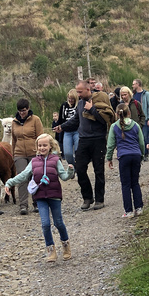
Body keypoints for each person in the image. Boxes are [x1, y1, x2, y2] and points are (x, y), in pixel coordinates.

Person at [4, 134, 74, 263]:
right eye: (40, 145)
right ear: (36, 147)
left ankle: (65, 245)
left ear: (50, 146)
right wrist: (9, 182)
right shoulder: (34, 162)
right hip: (40, 197)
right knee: (45, 224)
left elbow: (64, 176)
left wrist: (70, 172)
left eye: (45, 145)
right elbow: (24, 175)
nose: (42, 148)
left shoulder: (55, 160)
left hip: (54, 197)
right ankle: (51, 250)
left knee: (58, 222)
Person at [55, 80, 115, 211]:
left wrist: (92, 109)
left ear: (88, 90)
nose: (78, 94)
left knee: (99, 170)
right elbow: (76, 120)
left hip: (98, 140)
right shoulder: (80, 103)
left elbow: (104, 120)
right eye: (77, 92)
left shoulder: (99, 100)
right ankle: (87, 197)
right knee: (80, 169)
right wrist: (62, 127)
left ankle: (99, 199)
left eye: (80, 92)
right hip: (84, 140)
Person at [106, 103, 145, 218]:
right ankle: (139, 208)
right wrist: (141, 155)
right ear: (129, 113)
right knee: (135, 182)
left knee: (126, 184)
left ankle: (128, 211)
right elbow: (141, 142)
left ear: (117, 114)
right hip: (136, 155)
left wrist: (109, 158)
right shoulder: (136, 125)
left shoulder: (114, 126)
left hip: (124, 156)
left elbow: (110, 144)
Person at [11, 98, 44, 215]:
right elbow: (14, 140)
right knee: (22, 178)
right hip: (19, 153)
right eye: (20, 111)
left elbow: (41, 137)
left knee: (35, 177)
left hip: (34, 152)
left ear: (28, 109)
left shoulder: (35, 120)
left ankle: (37, 202)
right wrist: (13, 154)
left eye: (24, 110)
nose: (22, 113)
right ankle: (23, 205)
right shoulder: (14, 122)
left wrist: (41, 152)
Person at [57, 89, 79, 177]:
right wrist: (59, 128)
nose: (70, 100)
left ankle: (78, 168)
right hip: (67, 131)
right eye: (69, 98)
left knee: (78, 151)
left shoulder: (79, 105)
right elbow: (60, 119)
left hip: (77, 131)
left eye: (72, 99)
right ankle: (72, 167)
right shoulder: (64, 106)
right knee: (67, 153)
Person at [132, 78, 149, 161]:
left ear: (138, 84)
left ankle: (146, 153)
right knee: (136, 137)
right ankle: (139, 153)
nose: (132, 86)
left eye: (134, 84)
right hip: (135, 119)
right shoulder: (133, 94)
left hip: (144, 118)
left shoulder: (146, 94)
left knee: (145, 136)